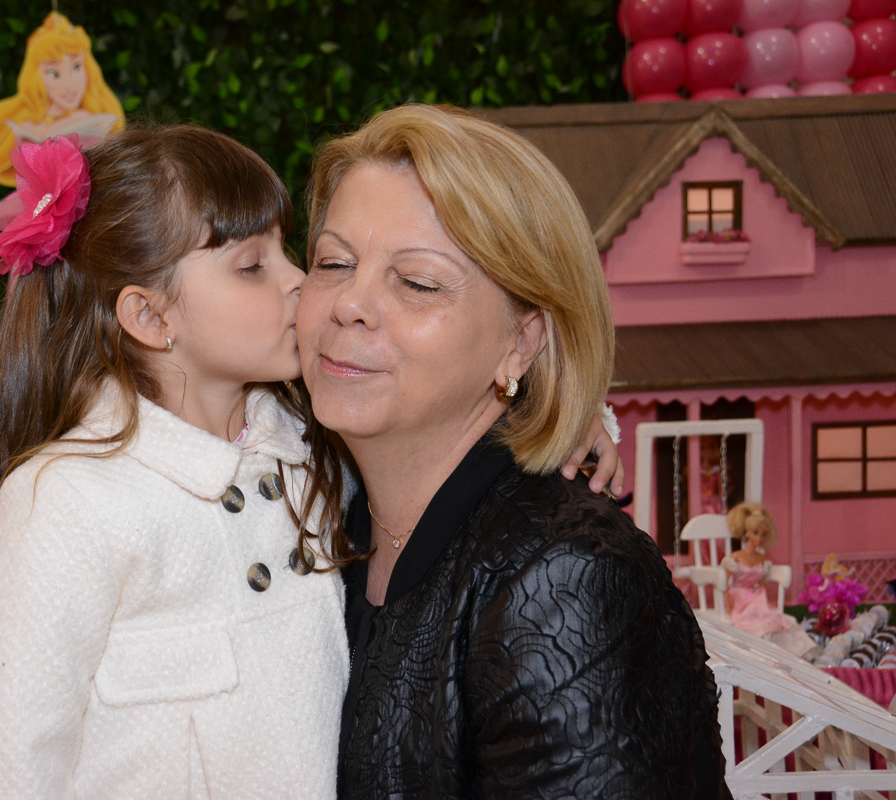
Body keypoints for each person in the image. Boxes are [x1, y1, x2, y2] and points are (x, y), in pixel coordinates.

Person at [0, 121, 623, 798]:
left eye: (295, 253)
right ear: (150, 318)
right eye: (253, 265)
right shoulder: (66, 500)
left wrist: (559, 412)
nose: (301, 284)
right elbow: (14, 764)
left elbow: (434, 436)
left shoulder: (305, 443)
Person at [296, 104, 727, 799]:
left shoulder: (566, 580)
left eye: (418, 282)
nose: (350, 303)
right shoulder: (315, 514)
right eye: (332, 262)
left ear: (521, 341)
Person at [0, 12, 124, 223]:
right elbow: (38, 193)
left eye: (76, 67)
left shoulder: (91, 121)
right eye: (54, 73)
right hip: (59, 221)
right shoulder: (29, 126)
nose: (69, 84)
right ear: (36, 78)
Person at [723, 501, 817, 658]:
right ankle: (758, 655)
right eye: (755, 533)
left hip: (756, 596)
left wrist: (762, 600)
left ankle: (784, 655)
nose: (759, 538)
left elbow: (761, 584)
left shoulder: (762, 558)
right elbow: (725, 584)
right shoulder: (736, 557)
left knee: (777, 621)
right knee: (752, 622)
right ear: (747, 533)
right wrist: (728, 604)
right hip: (738, 597)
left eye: (763, 534)